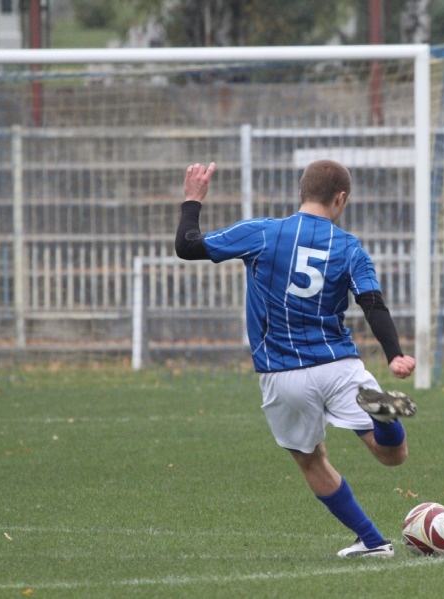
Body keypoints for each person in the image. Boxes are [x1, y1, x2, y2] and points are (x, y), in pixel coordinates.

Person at [175, 159, 418, 557]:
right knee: (393, 454)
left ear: (301, 192)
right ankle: (382, 415)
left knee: (311, 460)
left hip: (283, 374)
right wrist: (395, 355)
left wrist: (192, 199)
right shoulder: (348, 246)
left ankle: (373, 540)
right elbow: (373, 303)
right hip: (339, 365)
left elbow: (187, 245)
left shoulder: (264, 233)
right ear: (341, 198)